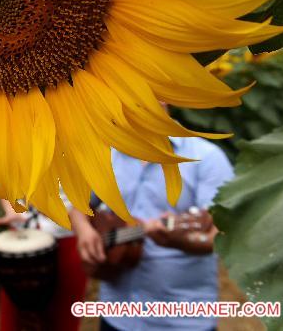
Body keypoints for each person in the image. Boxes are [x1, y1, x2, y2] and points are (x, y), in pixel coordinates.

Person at [69, 135, 235, 331]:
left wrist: (179, 242)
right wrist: (85, 231)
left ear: (167, 102)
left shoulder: (206, 157)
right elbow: (78, 207)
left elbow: (220, 237)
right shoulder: (107, 154)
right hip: (116, 312)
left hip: (181, 318)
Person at [0, 196, 87, 331]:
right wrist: (11, 210)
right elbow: (3, 184)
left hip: (66, 237)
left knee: (63, 318)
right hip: (20, 238)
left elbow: (91, 198)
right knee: (13, 319)